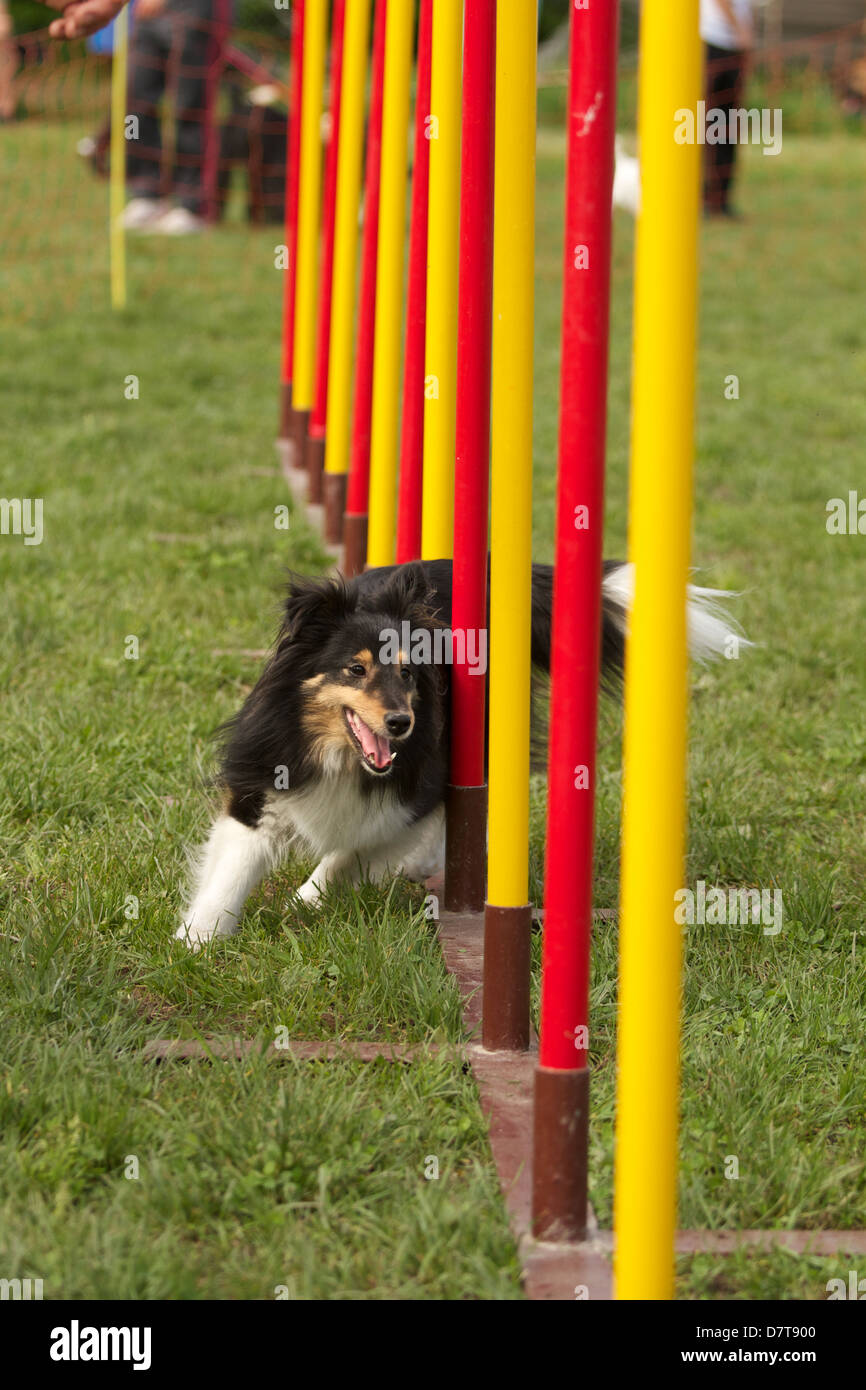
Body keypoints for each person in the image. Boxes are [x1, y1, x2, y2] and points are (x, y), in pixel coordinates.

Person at [120, 0, 231, 234]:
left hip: (196, 9)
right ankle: (147, 196)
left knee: (189, 107)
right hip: (147, 13)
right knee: (136, 102)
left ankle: (192, 206)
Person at [701, 0, 755, 218]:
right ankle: (705, 197)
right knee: (705, 127)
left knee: (726, 128)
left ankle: (719, 200)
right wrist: (741, 31)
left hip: (733, 48)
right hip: (713, 44)